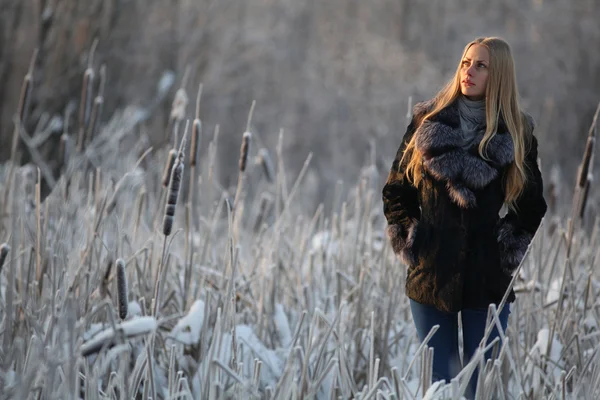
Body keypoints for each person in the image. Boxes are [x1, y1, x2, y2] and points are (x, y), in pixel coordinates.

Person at [381, 37, 547, 397]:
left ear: (499, 75)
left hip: (486, 279)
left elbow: (531, 206)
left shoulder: (517, 133)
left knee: (479, 389)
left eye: (481, 65)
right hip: (431, 275)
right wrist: (413, 241)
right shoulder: (427, 121)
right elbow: (396, 191)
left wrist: (504, 250)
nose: (468, 71)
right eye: (465, 62)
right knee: (439, 388)